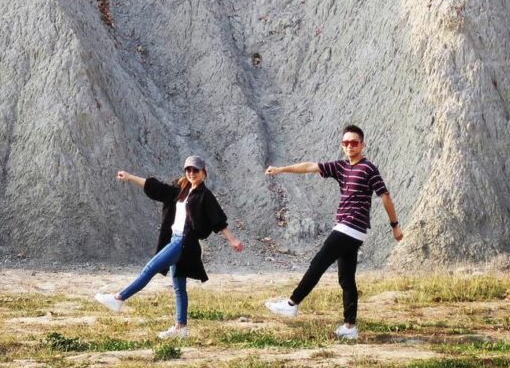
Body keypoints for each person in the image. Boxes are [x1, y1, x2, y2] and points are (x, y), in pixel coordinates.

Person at [264, 124, 403, 340]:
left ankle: (292, 304)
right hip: (352, 230)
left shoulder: (369, 169)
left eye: (354, 143)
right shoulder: (341, 167)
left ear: (362, 145)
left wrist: (395, 226)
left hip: (350, 227)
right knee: (346, 279)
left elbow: (385, 196)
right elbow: (311, 166)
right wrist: (282, 169)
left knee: (318, 262)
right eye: (346, 143)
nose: (350, 146)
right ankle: (350, 327)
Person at [95, 155, 243, 339]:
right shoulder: (181, 189)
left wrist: (233, 240)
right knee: (179, 287)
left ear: (204, 173)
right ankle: (181, 328)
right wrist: (130, 177)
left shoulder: (205, 196)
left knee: (150, 268)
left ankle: (119, 298)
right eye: (188, 170)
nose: (191, 173)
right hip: (174, 239)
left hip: (184, 242)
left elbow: (218, 220)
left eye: (196, 170)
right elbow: (156, 188)